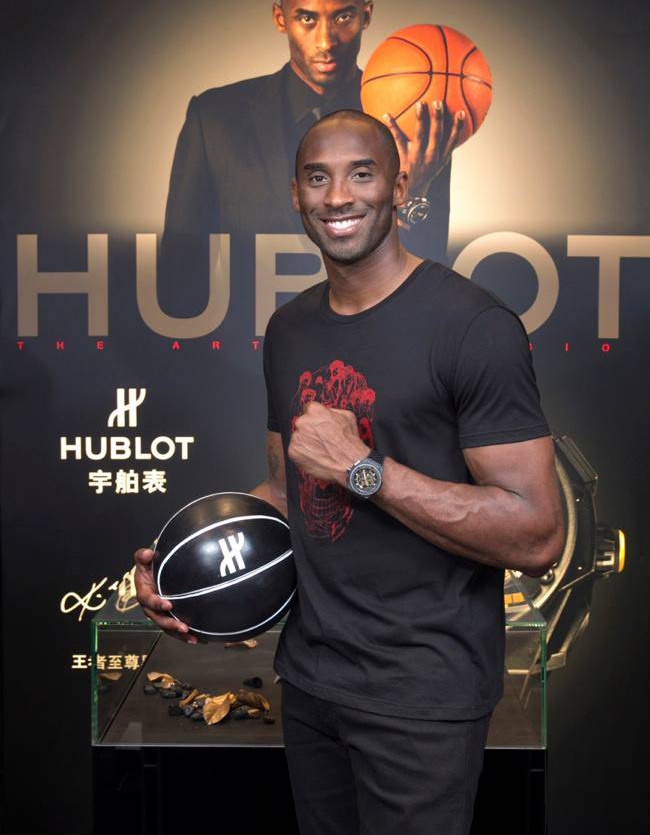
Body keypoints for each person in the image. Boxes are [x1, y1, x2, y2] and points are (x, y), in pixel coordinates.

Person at [136, 110, 565, 832]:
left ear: (399, 187)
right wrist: (187, 570)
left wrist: (364, 469)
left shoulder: (473, 326)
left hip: (423, 692)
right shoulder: (291, 329)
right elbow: (286, 491)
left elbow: (537, 534)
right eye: (318, 178)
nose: (338, 196)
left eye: (361, 174)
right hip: (311, 678)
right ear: (296, 196)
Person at [159, 0, 464, 320]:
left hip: (378, 342)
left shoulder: (416, 124)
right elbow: (179, 276)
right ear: (280, 18)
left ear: (366, 15)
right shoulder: (214, 118)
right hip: (251, 345)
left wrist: (412, 189)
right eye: (307, 18)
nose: (325, 41)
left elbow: (431, 273)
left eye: (343, 17)